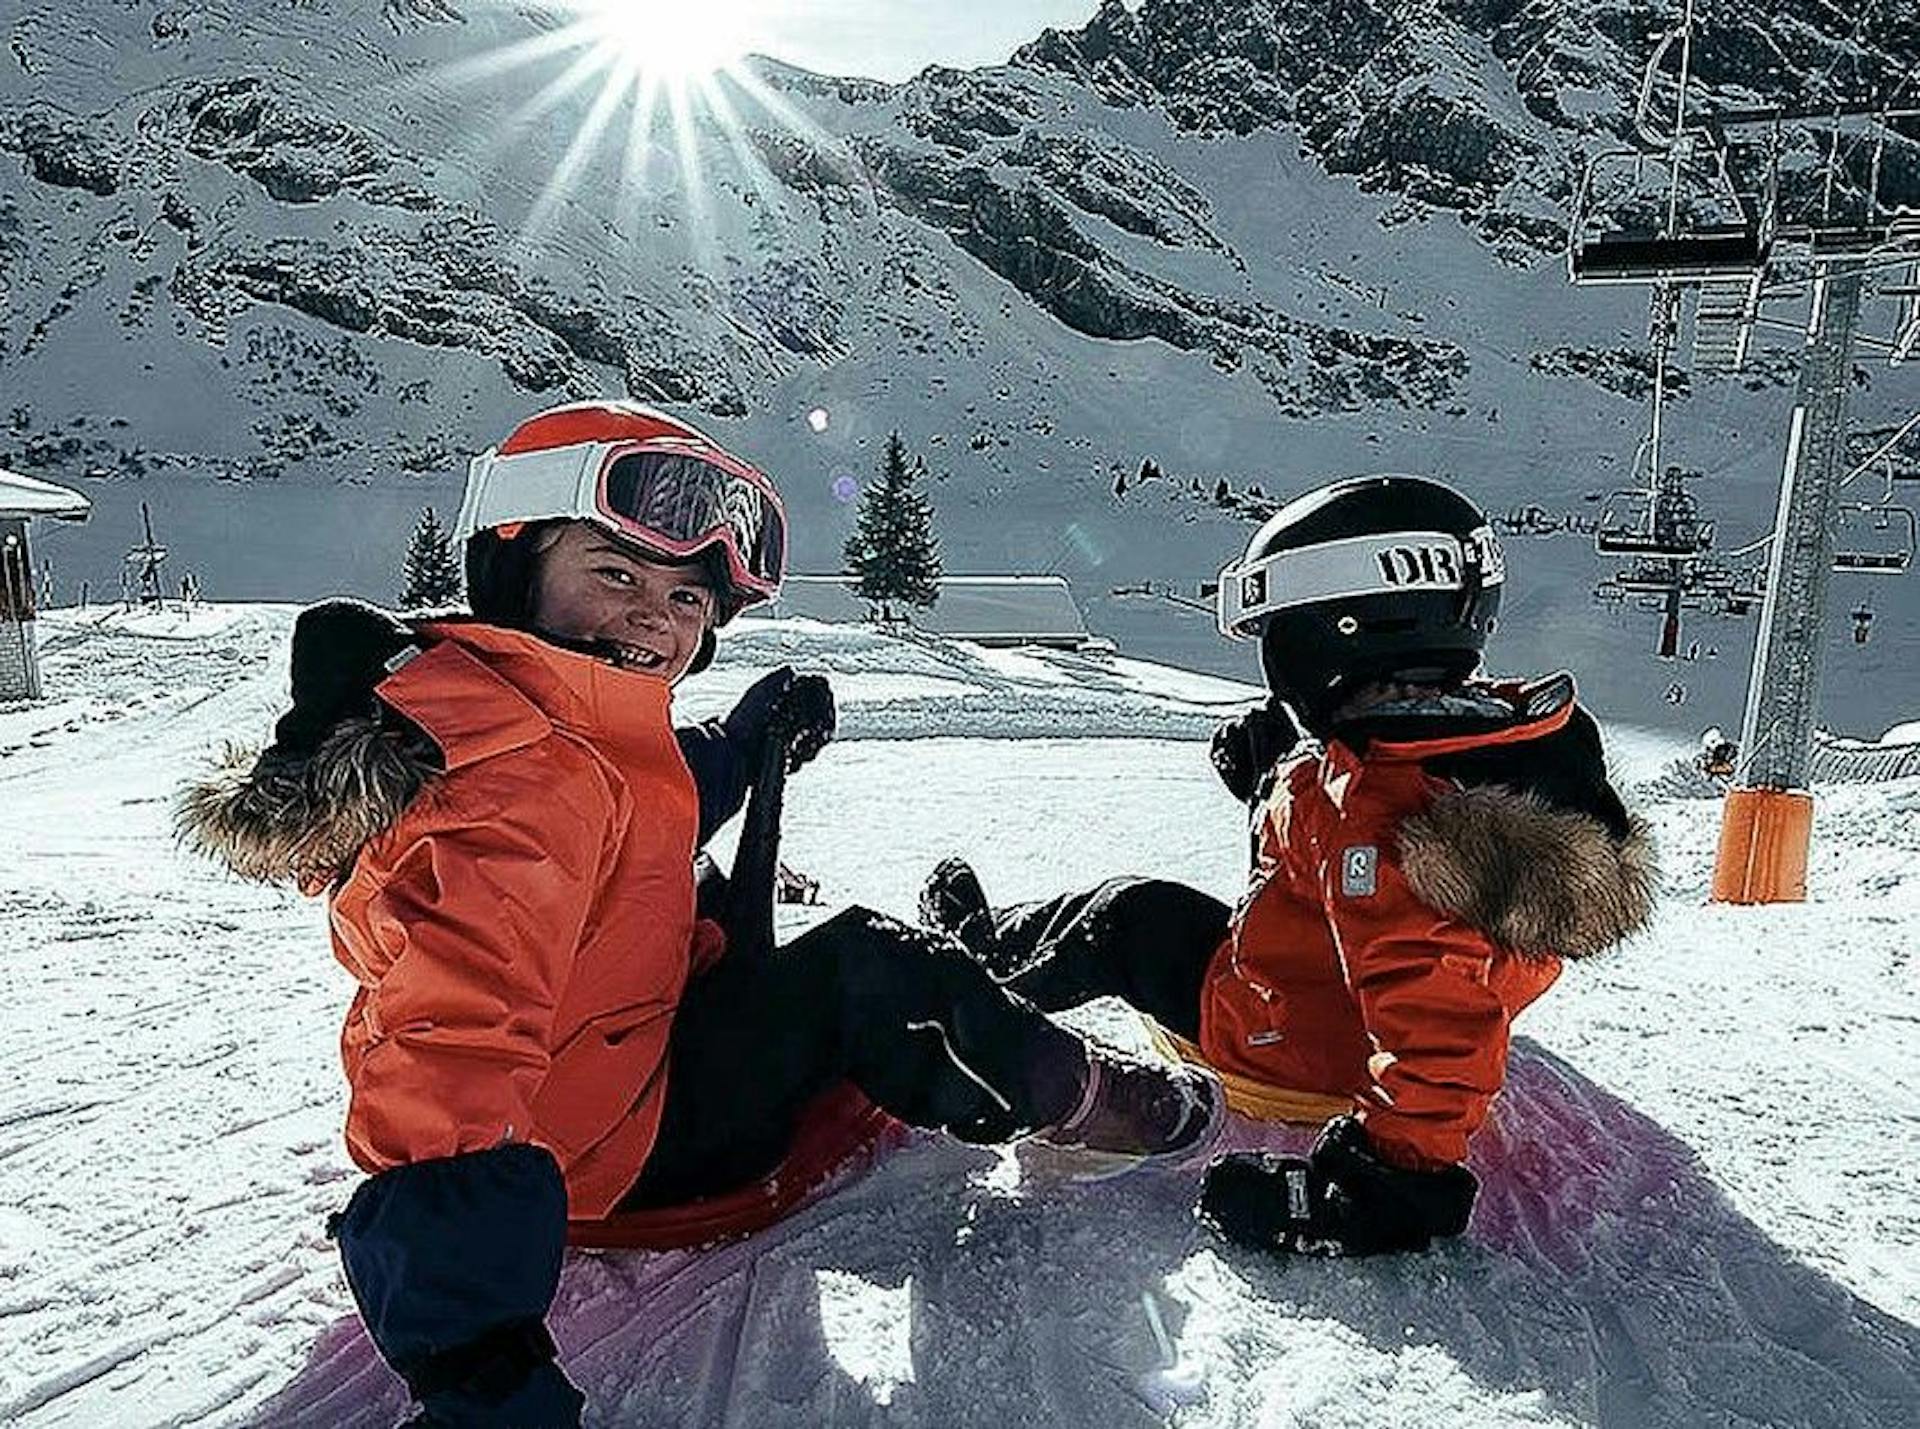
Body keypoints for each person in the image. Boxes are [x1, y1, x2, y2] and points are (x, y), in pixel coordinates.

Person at [179, 400, 1217, 1427]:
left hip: (610, 1070)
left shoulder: (520, 716)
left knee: (713, 899)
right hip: (605, 1156)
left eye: (687, 600)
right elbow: (453, 1044)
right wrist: (479, 1363)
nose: (655, 617)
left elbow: (640, 797)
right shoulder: (513, 792)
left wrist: (747, 740)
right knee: (874, 965)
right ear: (511, 565)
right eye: (617, 574)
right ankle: (1080, 1102)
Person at [919, 474, 1658, 1259]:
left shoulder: (1390, 822)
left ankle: (972, 971)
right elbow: (1331, 888)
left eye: (1280, 634)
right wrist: (1277, 786)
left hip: (1299, 1041)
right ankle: (990, 945)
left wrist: (1381, 1187)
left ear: (1332, 635)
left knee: (1130, 918)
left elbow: (1433, 1018)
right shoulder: (1505, 753)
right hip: (1321, 986)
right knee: (1163, 913)